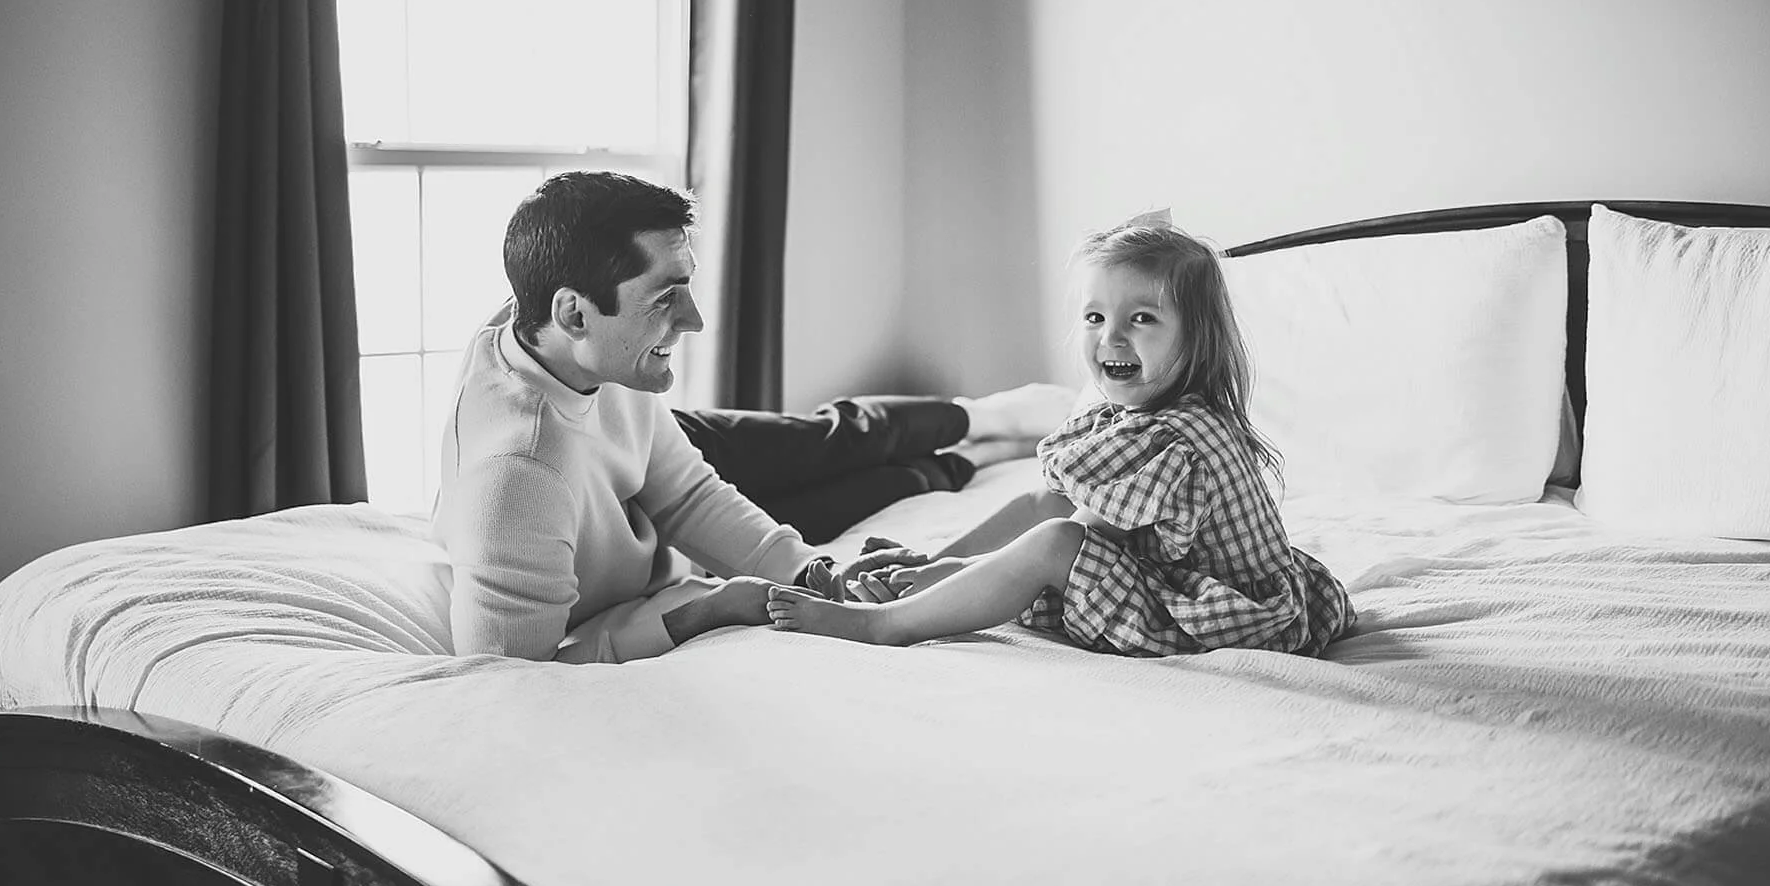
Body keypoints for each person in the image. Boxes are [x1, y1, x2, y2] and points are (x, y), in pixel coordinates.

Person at [432, 169, 1072, 664]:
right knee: (845, 464)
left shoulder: (577, 340)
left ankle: (975, 428)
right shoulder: (518, 480)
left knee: (831, 443)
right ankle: (967, 453)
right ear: (573, 315)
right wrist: (699, 615)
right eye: (663, 298)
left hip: (648, 483)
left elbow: (686, 493)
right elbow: (510, 681)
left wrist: (805, 571)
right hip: (603, 512)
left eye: (687, 287)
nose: (694, 320)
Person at [765, 216, 1356, 658]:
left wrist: (932, 588)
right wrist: (938, 561)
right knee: (1043, 515)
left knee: (1052, 544)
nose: (1112, 339)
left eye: (1142, 319)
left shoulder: (1174, 444)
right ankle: (925, 578)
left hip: (1222, 615)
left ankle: (885, 626)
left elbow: (1067, 537)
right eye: (1096, 318)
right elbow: (1045, 501)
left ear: (1197, 338)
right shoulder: (1138, 424)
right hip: (1193, 583)